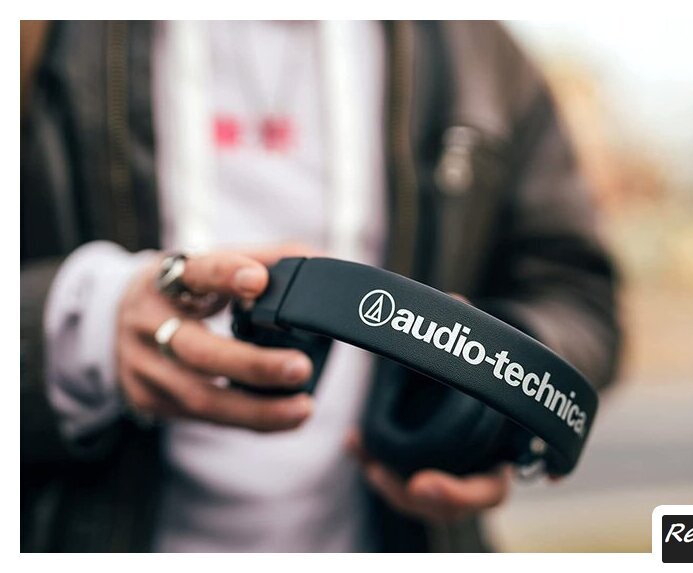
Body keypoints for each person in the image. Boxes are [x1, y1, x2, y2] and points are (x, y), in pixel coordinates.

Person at [21, 20, 622, 552]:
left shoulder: (477, 48)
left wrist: (492, 395)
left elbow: (577, 291)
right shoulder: (38, 32)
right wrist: (74, 329)